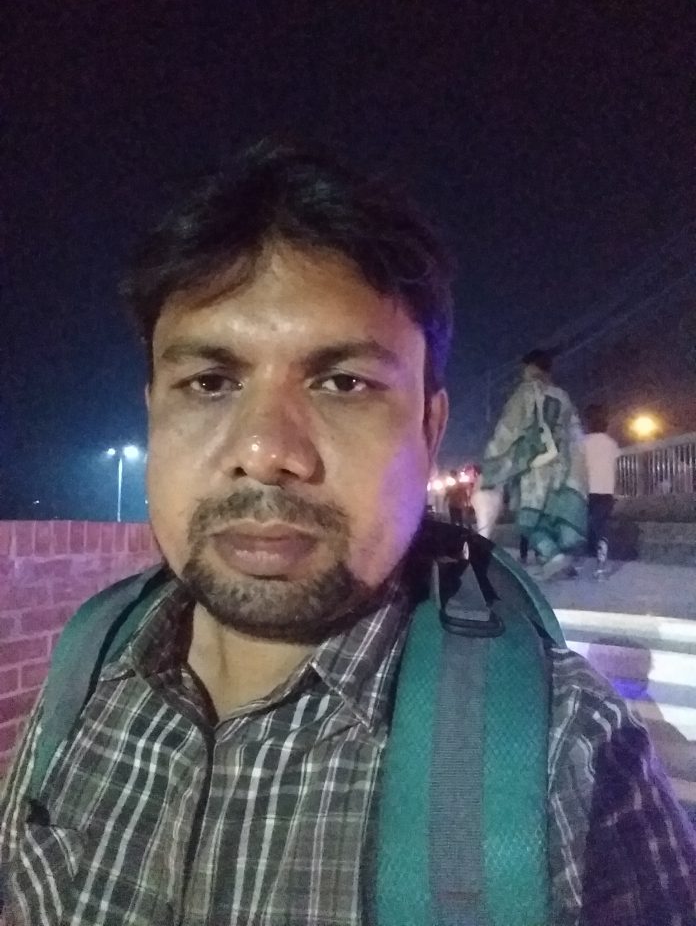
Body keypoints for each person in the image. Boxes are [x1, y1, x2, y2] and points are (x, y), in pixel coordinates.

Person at [1, 141, 695, 925]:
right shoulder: (89, 664)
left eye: (343, 382)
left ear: (429, 430)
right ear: (153, 413)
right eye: (210, 382)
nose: (266, 451)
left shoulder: (571, 761)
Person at [475, 349, 588, 580]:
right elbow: (576, 434)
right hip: (562, 467)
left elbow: (508, 429)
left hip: (535, 468)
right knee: (551, 516)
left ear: (531, 367)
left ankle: (553, 555)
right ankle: (556, 561)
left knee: (528, 520)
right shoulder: (563, 396)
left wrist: (492, 460)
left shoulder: (525, 392)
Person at [583, 403, 620, 577]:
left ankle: (581, 561)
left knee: (585, 525)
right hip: (606, 490)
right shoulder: (611, 444)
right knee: (602, 525)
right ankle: (601, 561)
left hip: (587, 490)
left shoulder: (583, 443)